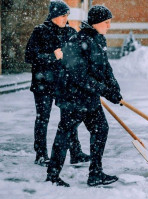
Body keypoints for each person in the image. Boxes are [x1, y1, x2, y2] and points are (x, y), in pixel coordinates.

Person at [46, 5, 122, 187]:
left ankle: (95, 173)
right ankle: (53, 175)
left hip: (89, 97)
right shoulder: (78, 42)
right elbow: (79, 76)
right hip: (73, 97)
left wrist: (114, 89)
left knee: (100, 129)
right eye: (106, 22)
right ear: (96, 23)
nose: (109, 26)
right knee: (65, 132)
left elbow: (105, 68)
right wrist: (104, 90)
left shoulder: (98, 39)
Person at [25, 0, 90, 167]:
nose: (65, 18)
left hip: (64, 83)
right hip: (43, 84)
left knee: (69, 118)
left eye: (67, 15)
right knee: (43, 119)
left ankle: (75, 153)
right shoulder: (40, 32)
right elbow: (30, 57)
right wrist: (52, 56)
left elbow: (78, 55)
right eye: (62, 15)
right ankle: (41, 155)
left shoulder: (69, 32)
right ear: (53, 15)